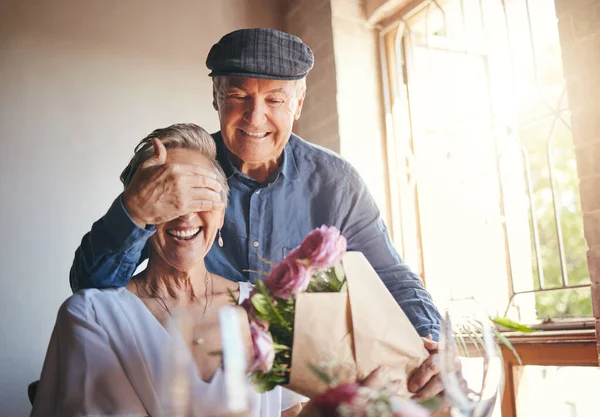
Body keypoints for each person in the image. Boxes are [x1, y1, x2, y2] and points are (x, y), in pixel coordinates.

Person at [69, 28, 443, 399]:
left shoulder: (337, 183)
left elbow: (391, 277)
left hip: (301, 394)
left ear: (298, 103)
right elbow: (94, 293)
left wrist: (433, 345)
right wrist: (134, 211)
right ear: (216, 97)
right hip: (186, 386)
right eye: (237, 95)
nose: (255, 117)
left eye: (275, 100)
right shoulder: (182, 165)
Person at [32, 124, 305, 417]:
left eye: (199, 193)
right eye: (168, 194)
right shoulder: (92, 315)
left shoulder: (267, 311)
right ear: (142, 211)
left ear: (222, 211)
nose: (186, 213)